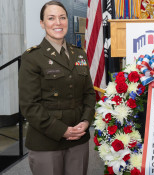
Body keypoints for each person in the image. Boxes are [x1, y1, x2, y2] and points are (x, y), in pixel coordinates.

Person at [18, 1, 96, 175]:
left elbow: (89, 93)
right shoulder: (32, 57)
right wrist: (63, 131)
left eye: (62, 17)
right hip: (46, 142)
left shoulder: (79, 53)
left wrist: (85, 121)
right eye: (51, 18)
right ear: (42, 23)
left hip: (78, 138)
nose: (58, 23)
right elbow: (29, 105)